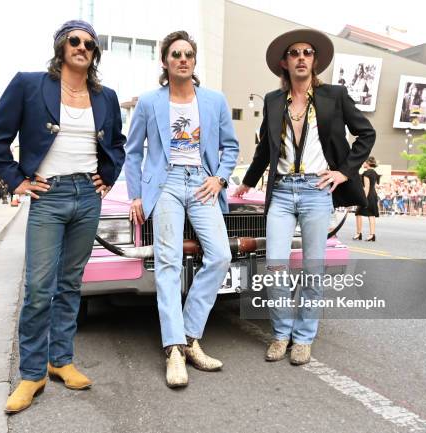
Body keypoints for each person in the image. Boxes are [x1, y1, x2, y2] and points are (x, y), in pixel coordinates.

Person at [0, 20, 126, 414]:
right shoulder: (30, 84)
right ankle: (32, 373)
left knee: (70, 285)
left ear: (95, 53)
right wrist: (16, 180)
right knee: (38, 288)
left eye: (89, 43)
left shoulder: (106, 96)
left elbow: (117, 142)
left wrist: (109, 176)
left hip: (88, 196)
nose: (82, 47)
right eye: (74, 41)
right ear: (62, 46)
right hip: (49, 196)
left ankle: (60, 360)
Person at [233, 29, 375, 365]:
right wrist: (248, 183)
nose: (301, 57)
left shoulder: (334, 96)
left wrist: (344, 171)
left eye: (307, 52)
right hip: (281, 192)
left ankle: (304, 338)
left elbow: (366, 133)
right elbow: (264, 150)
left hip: (316, 191)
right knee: (276, 267)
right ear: (284, 62)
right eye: (294, 53)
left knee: (313, 269)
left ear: (314, 60)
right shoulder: (272, 100)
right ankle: (282, 334)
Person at [125, 30, 239, 388]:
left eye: (188, 54)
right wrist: (135, 195)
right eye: (176, 54)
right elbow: (133, 152)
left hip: (203, 182)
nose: (183, 59)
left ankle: (190, 335)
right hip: (166, 184)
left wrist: (220, 179)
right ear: (165, 61)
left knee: (220, 256)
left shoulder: (214, 100)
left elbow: (230, 148)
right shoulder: (148, 102)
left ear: (194, 60)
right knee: (169, 262)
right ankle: (174, 349)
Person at [353, 157, 380, 241]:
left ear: (368, 163)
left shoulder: (366, 173)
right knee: (371, 215)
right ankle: (372, 235)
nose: (362, 163)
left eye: (364, 162)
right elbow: (373, 186)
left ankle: (358, 233)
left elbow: (366, 188)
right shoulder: (375, 173)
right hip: (373, 195)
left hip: (368, 196)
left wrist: (363, 199)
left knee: (358, 213)